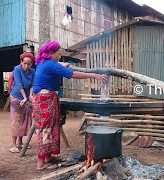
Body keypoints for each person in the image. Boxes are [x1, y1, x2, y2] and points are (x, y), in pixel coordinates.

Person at [32, 41, 108, 170]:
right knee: (46, 129)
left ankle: (48, 157)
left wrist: (64, 64)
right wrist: (94, 75)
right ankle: (41, 164)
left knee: (51, 126)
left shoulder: (43, 62)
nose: (60, 56)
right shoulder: (50, 64)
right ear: (51, 53)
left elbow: (59, 64)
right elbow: (73, 74)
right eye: (58, 54)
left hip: (45, 97)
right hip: (45, 98)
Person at [9, 52, 35, 153]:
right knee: (16, 121)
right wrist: (24, 97)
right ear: (21, 62)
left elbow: (33, 84)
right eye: (24, 63)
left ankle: (20, 143)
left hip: (27, 98)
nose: (26, 66)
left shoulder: (33, 71)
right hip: (17, 97)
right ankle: (14, 145)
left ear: (31, 64)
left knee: (25, 120)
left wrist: (30, 96)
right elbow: (19, 84)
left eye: (29, 64)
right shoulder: (17, 69)